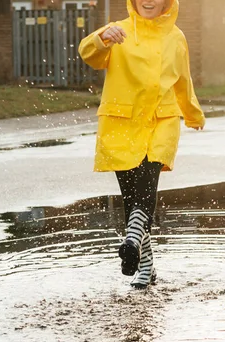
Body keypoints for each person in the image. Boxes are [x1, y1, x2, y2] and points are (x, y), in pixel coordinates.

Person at [78, 0, 205, 288]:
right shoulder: (117, 31)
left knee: (147, 184)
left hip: (162, 119)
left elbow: (183, 80)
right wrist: (102, 39)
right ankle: (146, 263)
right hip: (121, 122)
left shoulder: (176, 37)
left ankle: (132, 240)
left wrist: (192, 113)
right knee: (132, 197)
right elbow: (88, 54)